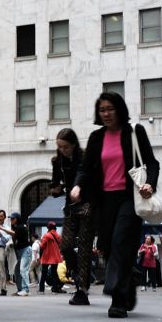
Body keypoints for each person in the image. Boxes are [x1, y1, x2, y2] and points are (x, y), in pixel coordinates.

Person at [72, 92, 160, 319]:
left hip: (130, 197)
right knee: (109, 247)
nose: (106, 114)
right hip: (104, 200)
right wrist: (78, 186)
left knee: (121, 241)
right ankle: (128, 284)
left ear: (119, 109)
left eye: (110, 109)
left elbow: (151, 162)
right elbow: (85, 168)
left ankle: (117, 299)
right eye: (102, 110)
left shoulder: (134, 132)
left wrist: (150, 184)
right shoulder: (96, 138)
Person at [50, 128, 95, 306]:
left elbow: (88, 177)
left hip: (87, 205)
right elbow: (54, 185)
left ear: (74, 144)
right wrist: (56, 189)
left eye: (66, 147)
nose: (63, 150)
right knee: (66, 245)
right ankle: (78, 274)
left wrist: (79, 188)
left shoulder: (84, 158)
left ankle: (82, 289)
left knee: (84, 245)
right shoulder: (57, 161)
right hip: (70, 208)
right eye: (60, 147)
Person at [9, 213, 32, 297]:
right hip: (20, 251)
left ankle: (26, 289)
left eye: (12, 218)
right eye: (11, 219)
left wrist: (1, 228)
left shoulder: (22, 227)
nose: (11, 220)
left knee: (23, 269)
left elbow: (13, 233)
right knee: (17, 271)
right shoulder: (15, 227)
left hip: (26, 250)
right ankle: (20, 290)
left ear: (17, 219)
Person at [39, 222, 65, 294]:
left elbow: (42, 246)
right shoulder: (58, 236)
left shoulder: (46, 235)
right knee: (54, 273)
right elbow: (61, 245)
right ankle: (55, 289)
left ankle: (41, 290)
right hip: (55, 257)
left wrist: (40, 244)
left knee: (44, 273)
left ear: (48, 228)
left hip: (46, 257)